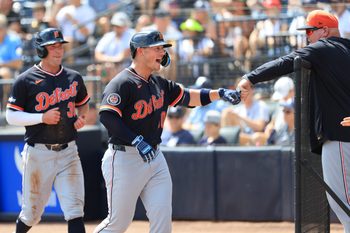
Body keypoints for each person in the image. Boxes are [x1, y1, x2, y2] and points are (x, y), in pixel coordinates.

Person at [94, 30, 241, 233]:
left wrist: (220, 93)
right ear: (140, 51)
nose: (162, 53)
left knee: (162, 221)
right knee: (118, 223)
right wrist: (136, 140)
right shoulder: (122, 83)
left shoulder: (159, 83)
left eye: (163, 48)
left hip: (154, 158)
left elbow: (188, 97)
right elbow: (107, 116)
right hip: (124, 158)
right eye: (157, 48)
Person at [237, 10, 350, 232]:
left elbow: (287, 61)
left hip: (340, 138)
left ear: (324, 31)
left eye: (310, 31)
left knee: (344, 206)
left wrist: (250, 77)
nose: (308, 36)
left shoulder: (323, 48)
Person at [5, 28, 90, 233]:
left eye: (60, 45)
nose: (58, 50)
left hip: (69, 151)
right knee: (31, 214)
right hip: (38, 154)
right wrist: (41, 118)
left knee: (75, 210)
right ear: (41, 50)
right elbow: (11, 116)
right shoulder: (26, 79)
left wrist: (82, 118)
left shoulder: (74, 77)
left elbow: (84, 103)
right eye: (52, 47)